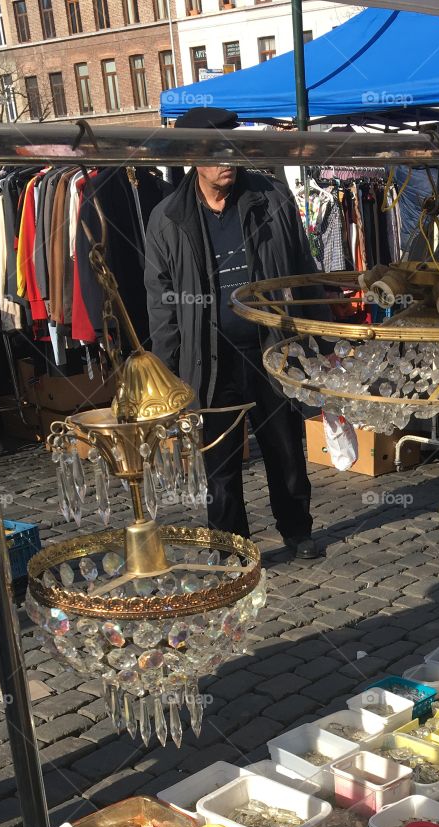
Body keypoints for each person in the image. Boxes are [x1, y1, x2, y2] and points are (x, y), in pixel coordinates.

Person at [145, 107, 322, 560]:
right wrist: (167, 376)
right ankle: (230, 545)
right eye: (215, 151)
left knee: (285, 448)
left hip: (270, 351)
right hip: (209, 359)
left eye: (232, 148)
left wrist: (318, 344)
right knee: (219, 462)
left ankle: (297, 529)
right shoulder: (168, 217)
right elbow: (162, 304)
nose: (228, 160)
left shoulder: (271, 198)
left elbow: (304, 272)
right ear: (192, 156)